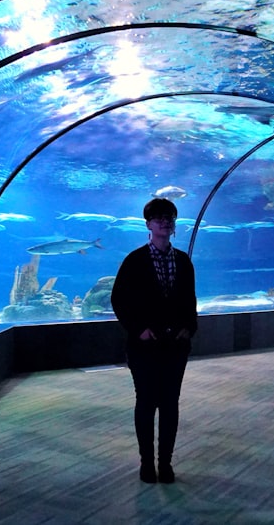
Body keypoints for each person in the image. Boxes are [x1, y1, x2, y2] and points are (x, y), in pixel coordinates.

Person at [111, 197, 198, 484]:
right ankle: (146, 463)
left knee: (170, 403)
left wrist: (189, 328)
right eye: (159, 217)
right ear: (147, 223)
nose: (166, 222)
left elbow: (190, 301)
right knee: (147, 402)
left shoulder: (184, 261)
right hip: (144, 346)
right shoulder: (134, 260)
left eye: (170, 217)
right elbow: (119, 300)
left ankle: (166, 463)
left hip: (176, 345)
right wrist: (139, 330)